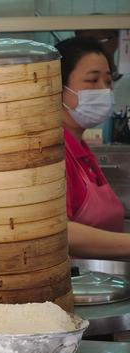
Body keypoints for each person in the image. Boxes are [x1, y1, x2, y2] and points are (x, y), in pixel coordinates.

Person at [55, 37, 130, 257]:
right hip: (77, 283)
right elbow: (59, 231)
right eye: (92, 80)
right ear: (58, 88)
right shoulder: (53, 151)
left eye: (108, 81)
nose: (104, 90)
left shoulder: (80, 148)